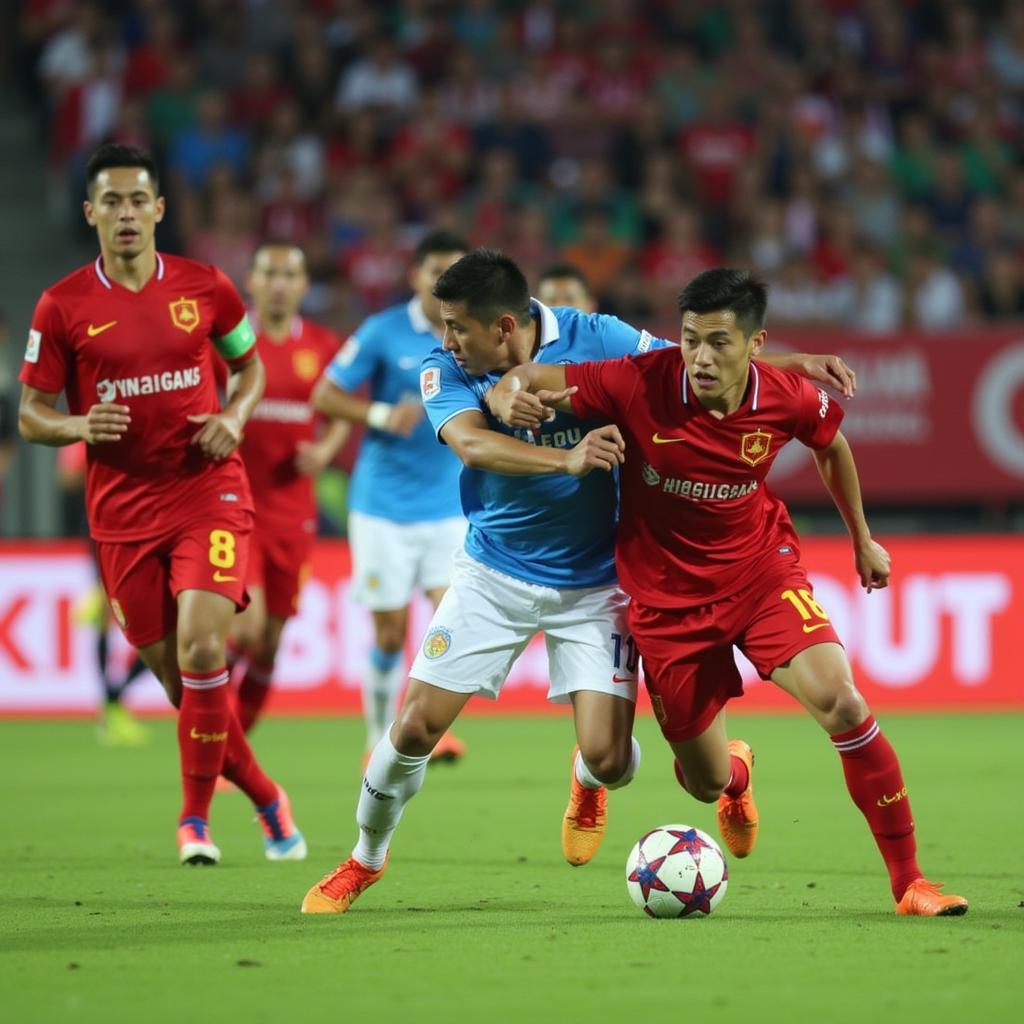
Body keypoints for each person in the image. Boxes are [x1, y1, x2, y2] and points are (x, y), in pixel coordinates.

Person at [300, 249, 853, 914]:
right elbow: (474, 444)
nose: (443, 340)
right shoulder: (442, 367)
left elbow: (695, 359)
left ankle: (590, 779)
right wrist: (564, 460)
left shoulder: (600, 336)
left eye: (455, 328)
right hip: (492, 574)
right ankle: (363, 861)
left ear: (502, 327)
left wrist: (792, 367)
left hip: (598, 584)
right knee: (416, 726)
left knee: (611, 759)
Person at [488, 267, 968, 917]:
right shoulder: (637, 382)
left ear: (755, 343)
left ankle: (910, 883)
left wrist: (862, 538)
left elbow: (832, 445)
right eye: (689, 340)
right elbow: (532, 379)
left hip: (758, 573)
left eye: (718, 342)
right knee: (703, 780)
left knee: (843, 702)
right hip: (664, 602)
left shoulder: (787, 397)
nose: (701, 357)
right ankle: (736, 776)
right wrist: (506, 394)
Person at [17, 143, 306, 866]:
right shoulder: (61, 306)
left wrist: (235, 420)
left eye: (137, 200)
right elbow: (30, 415)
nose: (125, 213)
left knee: (205, 647)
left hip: (207, 489)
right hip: (121, 515)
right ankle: (269, 796)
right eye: (110, 202)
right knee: (185, 687)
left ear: (158, 210)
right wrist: (79, 426)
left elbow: (250, 369)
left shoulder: (206, 287)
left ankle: (194, 820)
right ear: (90, 214)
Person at [311, 229, 470, 767]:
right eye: (437, 274)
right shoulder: (383, 332)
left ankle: (427, 726)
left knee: (449, 620)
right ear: (416, 276)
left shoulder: (474, 337)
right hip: (383, 508)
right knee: (389, 630)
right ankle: (378, 735)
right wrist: (378, 415)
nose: (447, 286)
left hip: (449, 504)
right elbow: (325, 393)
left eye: (457, 275)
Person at [227, 242, 348, 732]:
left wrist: (324, 451)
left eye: (289, 274)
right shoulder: (229, 344)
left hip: (294, 511)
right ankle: (213, 727)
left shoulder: (321, 346)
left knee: (271, 640)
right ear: (251, 281)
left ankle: (237, 740)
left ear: (303, 285)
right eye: (269, 273)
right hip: (234, 504)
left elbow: (339, 411)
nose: (279, 283)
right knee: (247, 627)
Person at [55, 439, 151, 746]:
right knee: (109, 619)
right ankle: (111, 704)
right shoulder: (92, 426)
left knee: (161, 618)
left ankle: (113, 699)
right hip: (105, 526)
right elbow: (67, 478)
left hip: (149, 524)